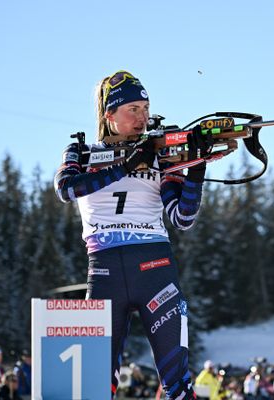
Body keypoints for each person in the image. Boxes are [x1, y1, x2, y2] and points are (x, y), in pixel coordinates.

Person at [54, 70, 213, 399]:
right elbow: (66, 188)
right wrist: (125, 167)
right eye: (132, 109)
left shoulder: (159, 154)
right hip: (104, 274)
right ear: (109, 115)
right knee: (92, 388)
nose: (142, 118)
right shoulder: (82, 152)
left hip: (156, 271)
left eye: (146, 108)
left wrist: (196, 169)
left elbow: (182, 218)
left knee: (179, 387)